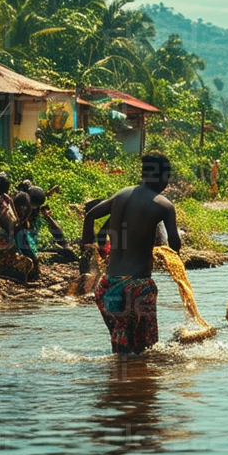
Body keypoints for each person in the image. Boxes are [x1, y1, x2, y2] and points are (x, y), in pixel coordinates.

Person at [81, 152, 181, 356]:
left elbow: (90, 215)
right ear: (161, 176)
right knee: (145, 351)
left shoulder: (121, 195)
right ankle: (136, 384)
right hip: (137, 288)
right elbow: (174, 244)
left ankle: (121, 383)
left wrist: (87, 243)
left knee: (122, 348)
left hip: (107, 287)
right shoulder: (164, 205)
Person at [0, 172, 36, 282]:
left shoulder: (4, 199)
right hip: (0, 237)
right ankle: (2, 265)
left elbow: (12, 221)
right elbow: (6, 222)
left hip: (2, 235)